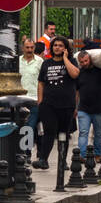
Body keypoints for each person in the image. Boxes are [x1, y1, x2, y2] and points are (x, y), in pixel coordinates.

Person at [34, 37, 79, 169]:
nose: (57, 47)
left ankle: (63, 160)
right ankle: (43, 159)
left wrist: (65, 59)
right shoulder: (46, 63)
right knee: (49, 131)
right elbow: (41, 83)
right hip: (49, 104)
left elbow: (75, 74)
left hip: (66, 104)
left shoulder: (71, 61)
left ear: (65, 48)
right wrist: (40, 101)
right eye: (55, 45)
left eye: (60, 45)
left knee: (63, 133)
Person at [75, 49, 101, 162]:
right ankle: (82, 156)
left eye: (86, 61)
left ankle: (98, 154)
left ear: (90, 59)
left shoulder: (100, 70)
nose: (84, 63)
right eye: (81, 62)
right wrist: (75, 107)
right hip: (84, 108)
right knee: (83, 133)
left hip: (99, 108)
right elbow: (76, 91)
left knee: (98, 133)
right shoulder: (80, 73)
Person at [18, 38, 43, 148]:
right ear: (23, 48)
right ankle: (22, 151)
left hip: (34, 99)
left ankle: (26, 152)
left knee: (30, 126)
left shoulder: (40, 61)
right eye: (27, 47)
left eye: (32, 47)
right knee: (21, 126)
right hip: (20, 99)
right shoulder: (17, 61)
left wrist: (41, 99)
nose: (29, 50)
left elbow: (42, 82)